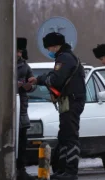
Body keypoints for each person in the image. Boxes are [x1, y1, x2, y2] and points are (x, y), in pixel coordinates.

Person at [28, 32, 86, 180]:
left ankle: (71, 172)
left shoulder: (64, 58)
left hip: (71, 102)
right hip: (69, 101)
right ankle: (62, 170)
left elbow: (55, 79)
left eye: (49, 48)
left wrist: (41, 79)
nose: (49, 52)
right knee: (64, 136)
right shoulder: (66, 57)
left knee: (70, 136)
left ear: (55, 46)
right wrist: (41, 79)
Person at [0, 38, 36, 180]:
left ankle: (20, 169)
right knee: (0, 139)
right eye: (17, 51)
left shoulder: (25, 67)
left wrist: (29, 86)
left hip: (21, 108)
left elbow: (32, 84)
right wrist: (15, 84)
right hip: (1, 108)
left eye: (21, 52)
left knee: (21, 140)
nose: (19, 54)